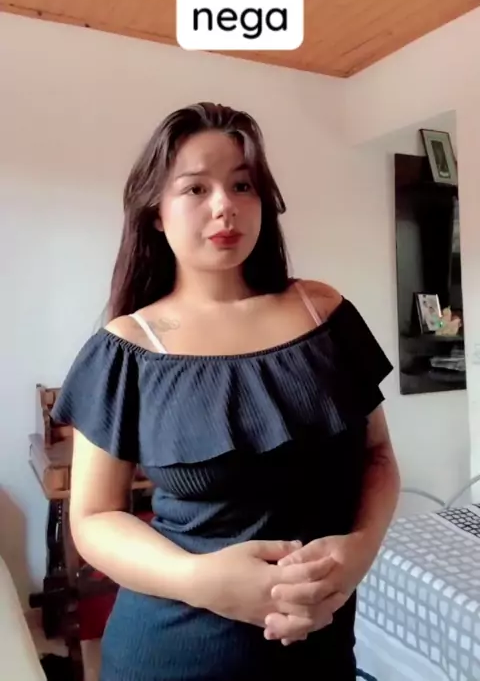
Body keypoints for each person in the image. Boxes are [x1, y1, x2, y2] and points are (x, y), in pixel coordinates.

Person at [51, 102, 400, 681]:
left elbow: (378, 456)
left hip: (320, 652)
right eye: (196, 188)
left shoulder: (325, 313)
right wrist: (201, 581)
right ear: (156, 212)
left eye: (242, 185)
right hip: (171, 654)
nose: (225, 206)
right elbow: (92, 517)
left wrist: (359, 550)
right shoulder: (126, 349)